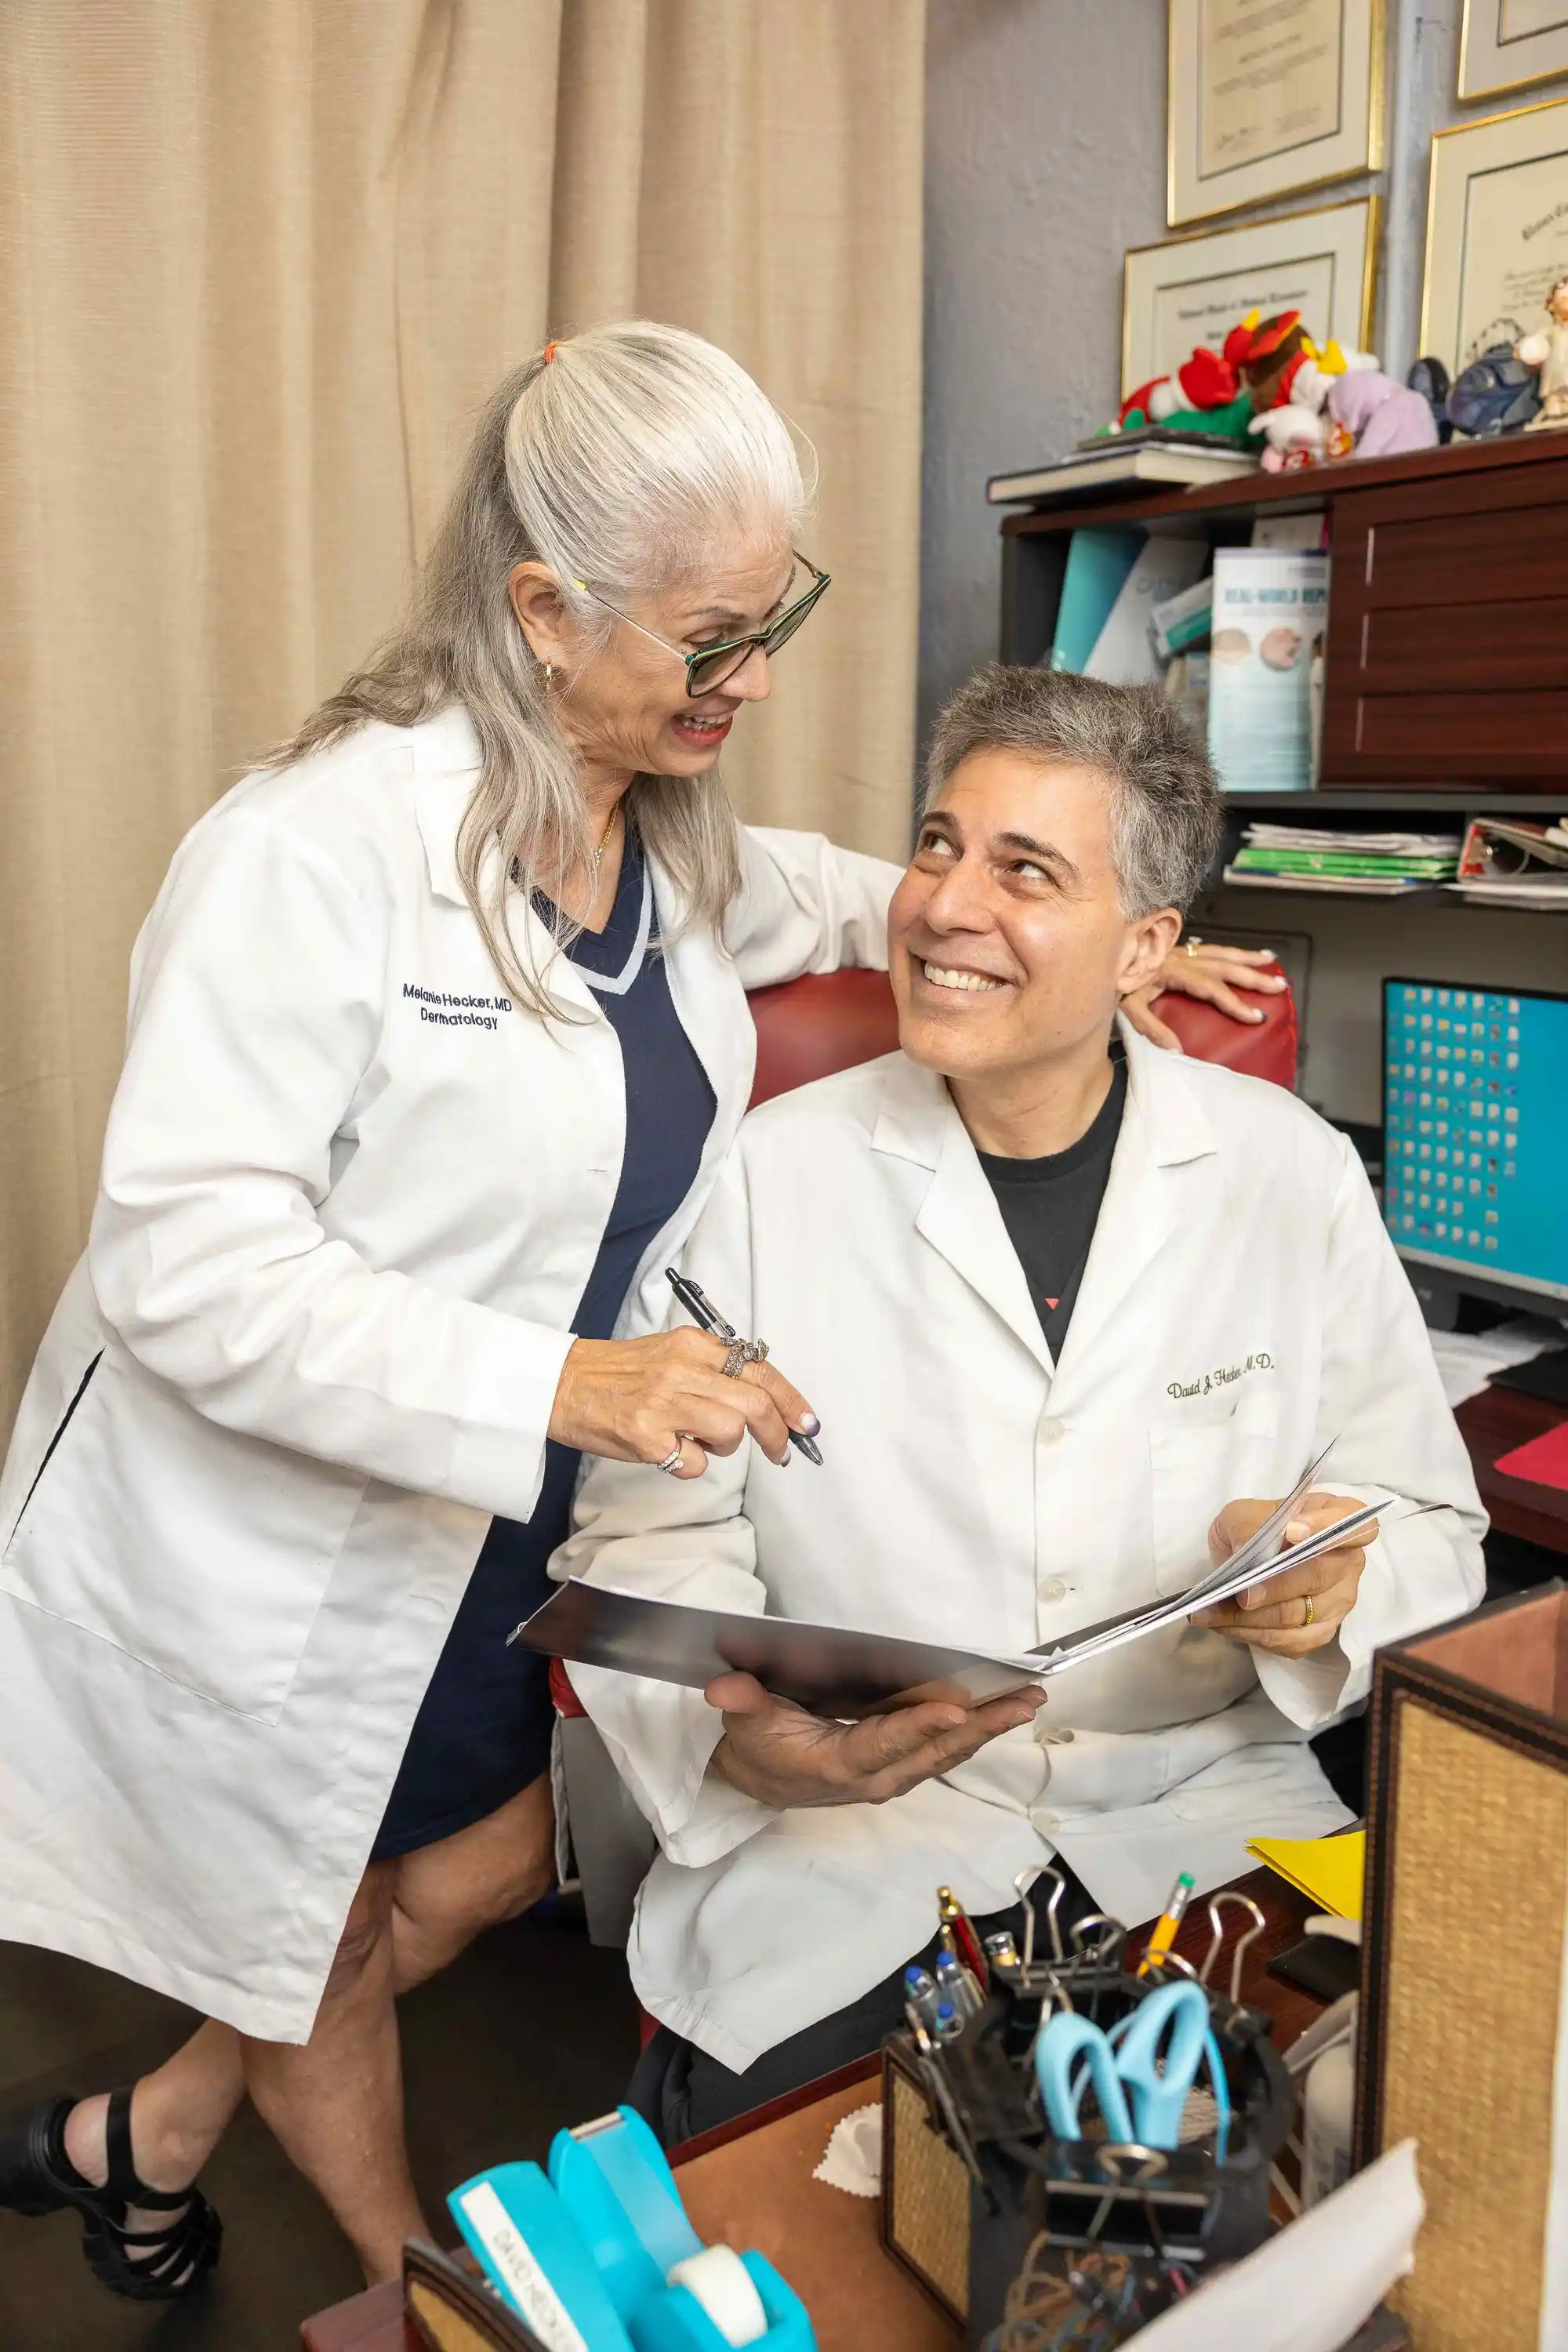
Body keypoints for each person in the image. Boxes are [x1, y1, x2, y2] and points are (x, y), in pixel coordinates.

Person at [0, 330, 1264, 2296]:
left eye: (775, 619)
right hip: (274, 1525)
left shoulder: (656, 830)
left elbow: (825, 896)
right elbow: (186, 1259)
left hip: (503, 1505)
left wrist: (1046, 934)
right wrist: (573, 1380)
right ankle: (421, 2291)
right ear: (541, 612)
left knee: (488, 1864)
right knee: (317, 1926)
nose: (751, 679)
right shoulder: (314, 854)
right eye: (710, 639)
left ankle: (136, 2139)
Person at [553, 664, 1488, 2147]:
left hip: (1202, 1821)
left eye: (1026, 871)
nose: (943, 906)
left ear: (1147, 947)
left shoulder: (1286, 1173)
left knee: (1361, 2146)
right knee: (829, 2200)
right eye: (938, 845)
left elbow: (1430, 1518)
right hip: (859, 1837)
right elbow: (643, 1545)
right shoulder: (766, 1176)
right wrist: (737, 1740)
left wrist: (1332, 1586)